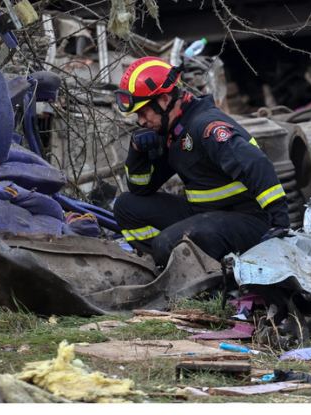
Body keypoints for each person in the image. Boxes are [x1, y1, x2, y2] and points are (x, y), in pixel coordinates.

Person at [113, 56, 290, 266]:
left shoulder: (206, 126)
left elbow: (256, 163)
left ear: (164, 100)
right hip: (206, 213)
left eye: (143, 112)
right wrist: (137, 152)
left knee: (166, 244)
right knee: (125, 206)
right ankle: (166, 265)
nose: (141, 121)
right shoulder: (173, 131)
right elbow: (140, 188)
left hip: (247, 219)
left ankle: (209, 276)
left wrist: (279, 223)